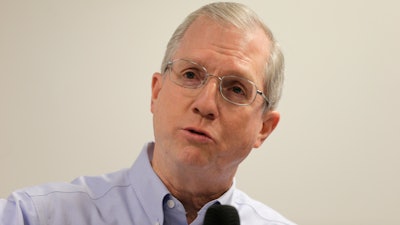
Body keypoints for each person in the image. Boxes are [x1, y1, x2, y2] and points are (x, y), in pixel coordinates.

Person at [0, 2, 295, 225]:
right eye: (191, 74)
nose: (205, 104)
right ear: (156, 92)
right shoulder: (34, 216)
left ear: (264, 128)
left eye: (235, 89)